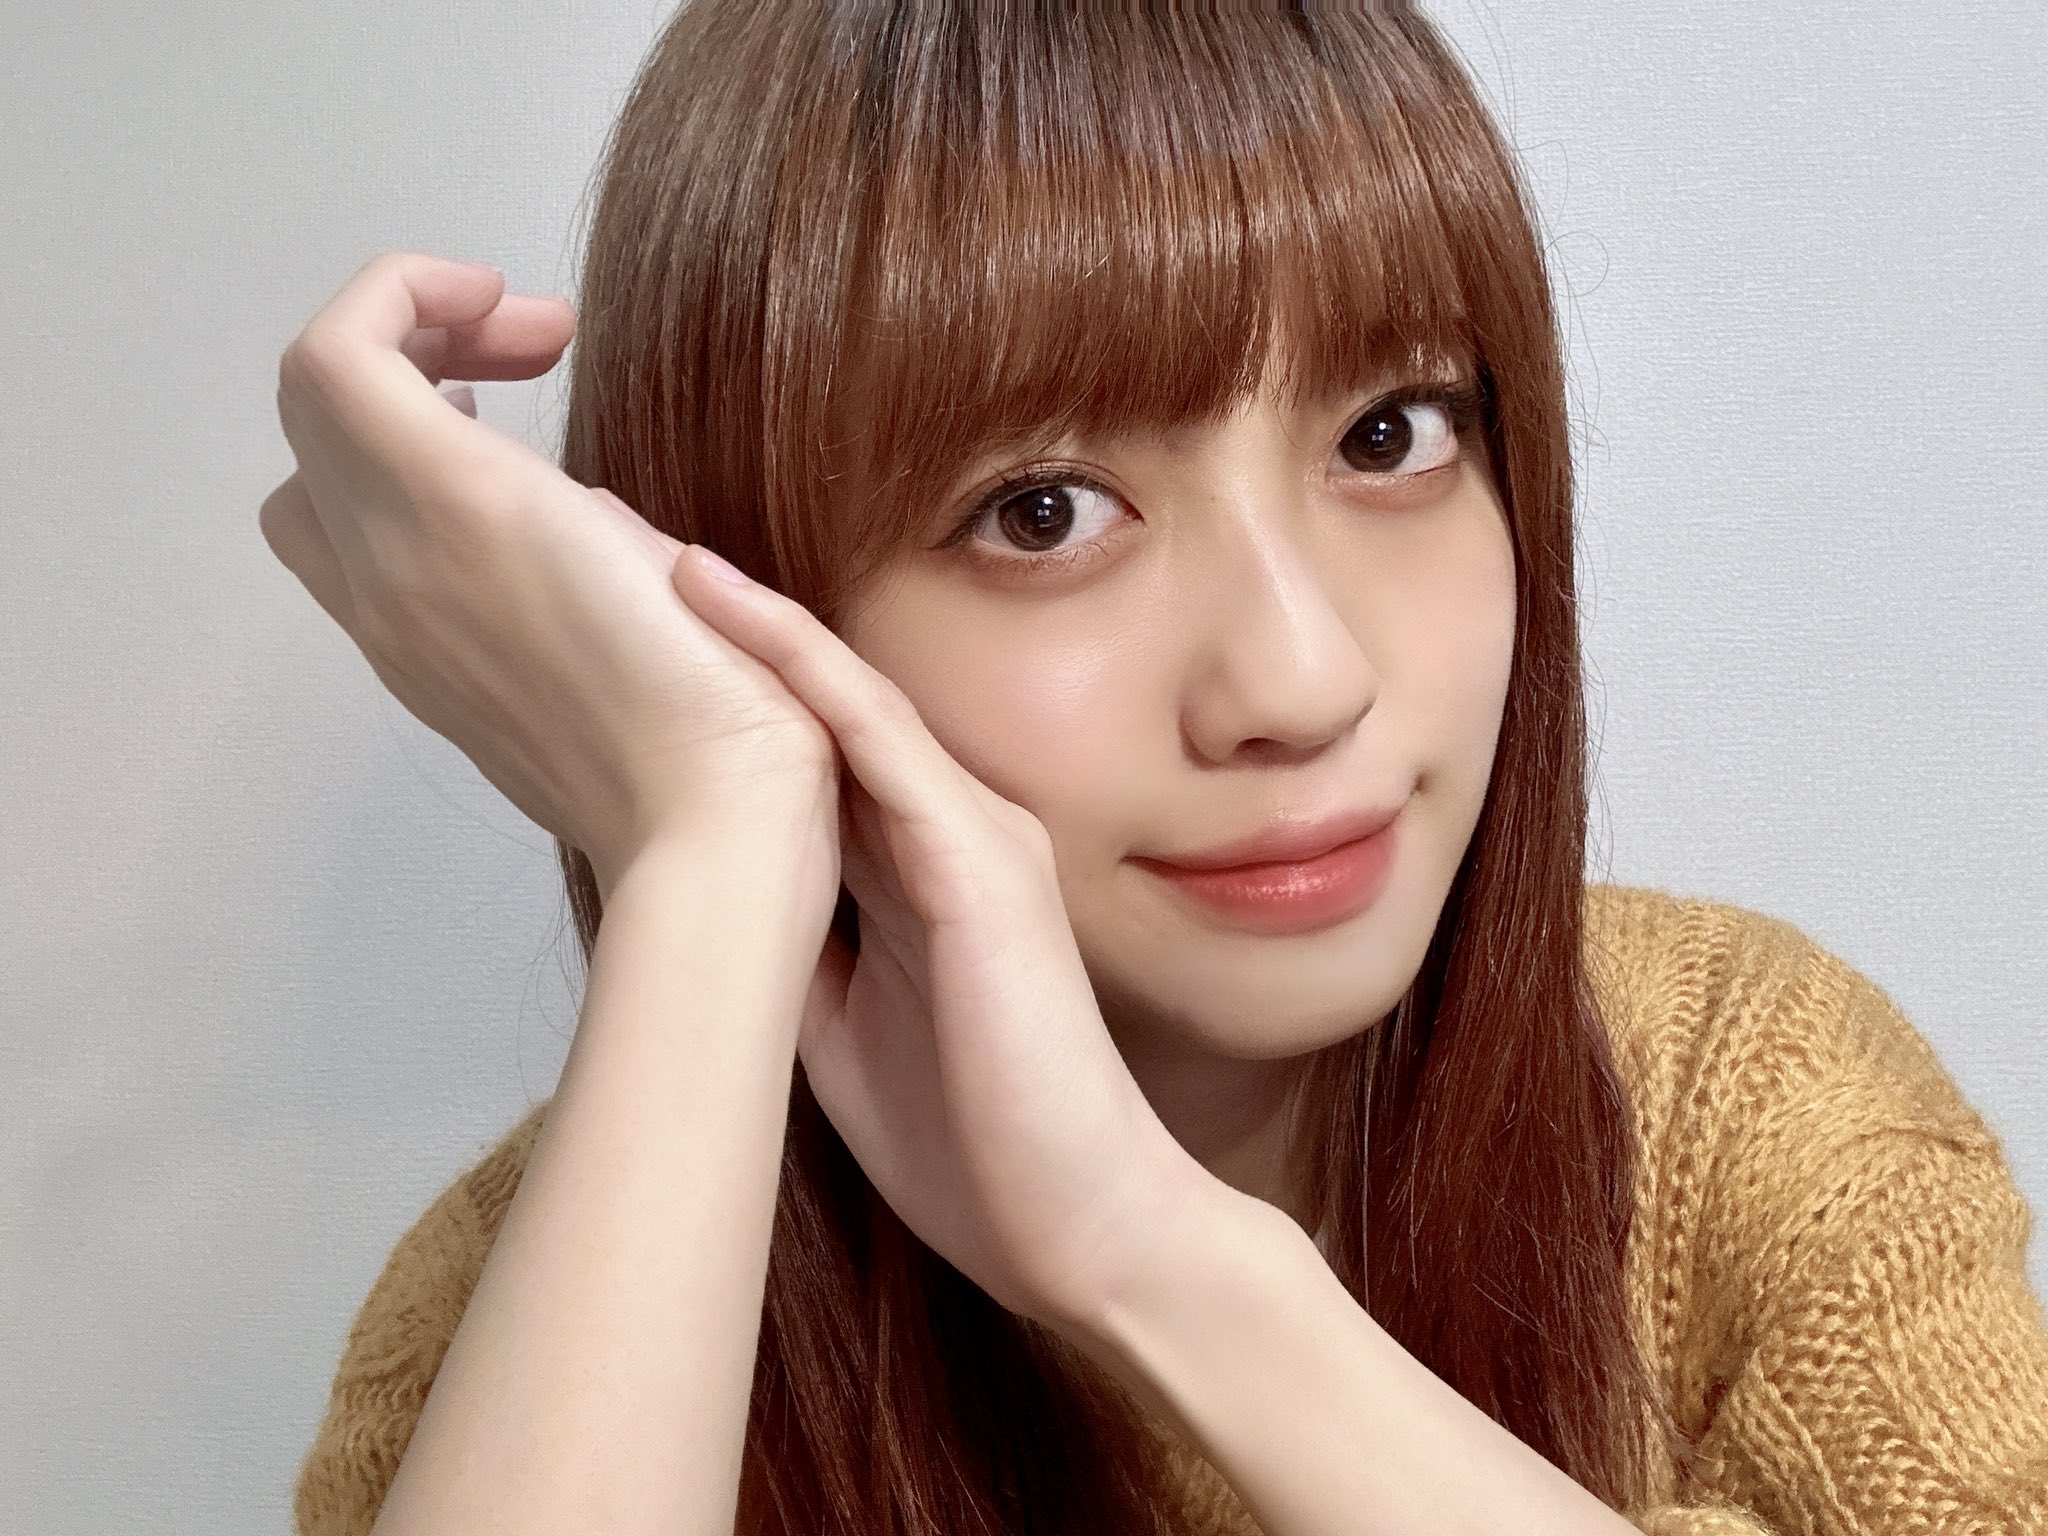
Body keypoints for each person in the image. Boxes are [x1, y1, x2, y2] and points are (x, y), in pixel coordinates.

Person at [263, 6, 2048, 1535]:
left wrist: (1151, 1257)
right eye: (1042, 513)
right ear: (752, 594)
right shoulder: (512, 1322)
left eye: (1389, 434)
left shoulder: (1750, 1111)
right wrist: (713, 840)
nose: (1301, 680)